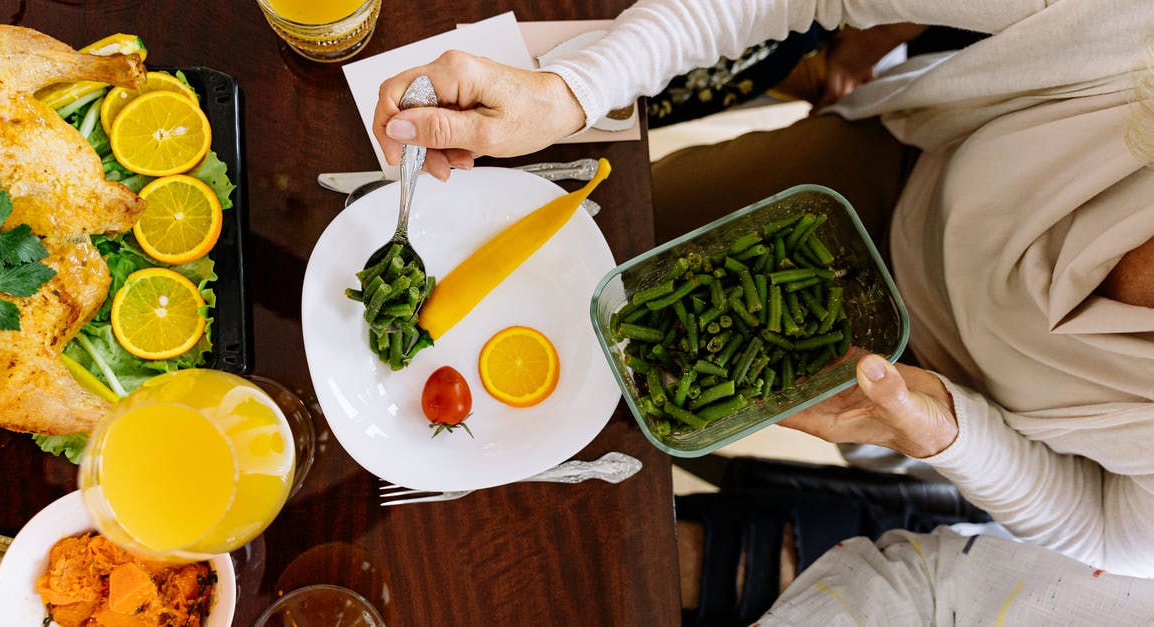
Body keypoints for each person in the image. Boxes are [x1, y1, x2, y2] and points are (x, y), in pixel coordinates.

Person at [371, 0, 1154, 589]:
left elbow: (1110, 530)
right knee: (607, 237)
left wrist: (953, 434)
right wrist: (573, 88)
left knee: (618, 420)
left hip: (908, 374)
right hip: (875, 182)